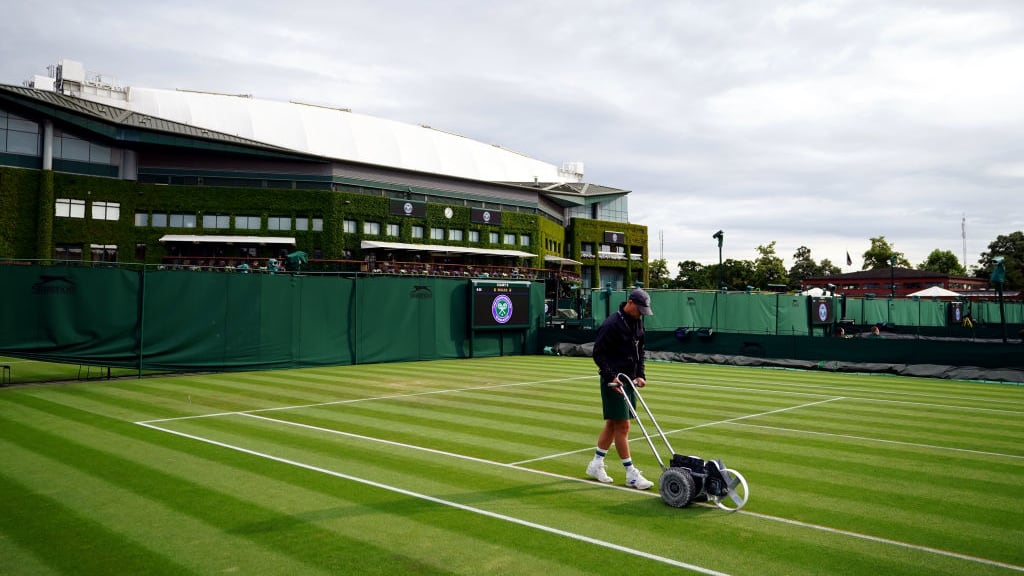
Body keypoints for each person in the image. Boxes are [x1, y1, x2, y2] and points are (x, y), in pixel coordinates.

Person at [585, 288, 655, 490]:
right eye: (639, 309)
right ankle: (630, 474)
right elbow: (598, 354)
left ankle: (596, 464)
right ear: (630, 303)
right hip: (614, 382)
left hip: (629, 380)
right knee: (623, 426)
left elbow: (640, 350)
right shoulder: (612, 324)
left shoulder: (638, 321)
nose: (641, 313)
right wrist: (612, 377)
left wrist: (641, 375)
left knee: (612, 425)